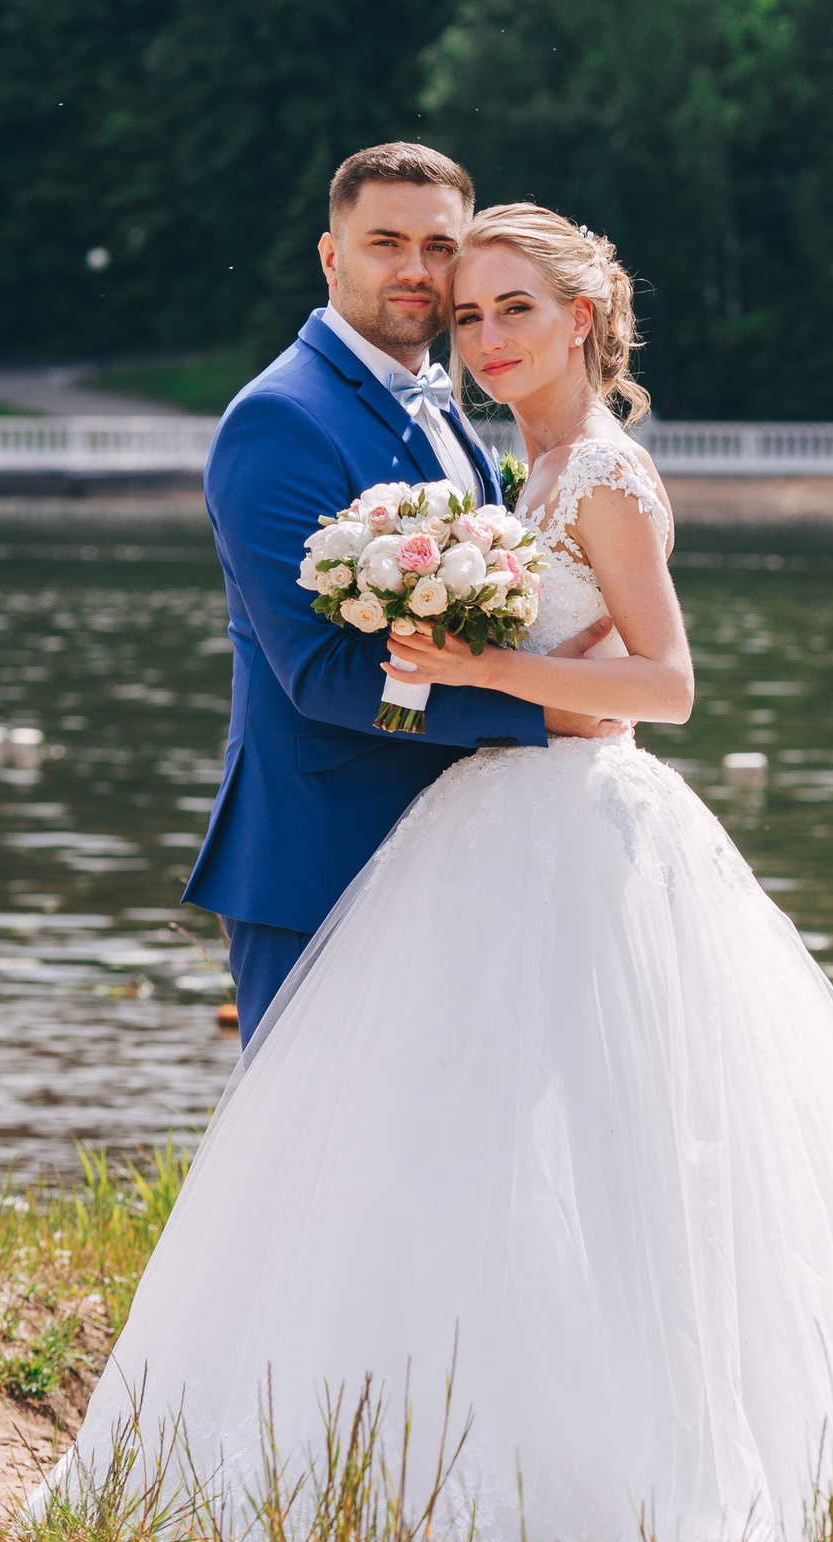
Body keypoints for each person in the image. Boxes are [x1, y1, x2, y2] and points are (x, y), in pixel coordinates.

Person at [46, 199, 833, 1542]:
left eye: (508, 307)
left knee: (619, 1160)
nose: (481, 331)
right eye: (470, 314)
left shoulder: (596, 472)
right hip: (476, 834)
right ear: (337, 256)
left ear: (582, 319)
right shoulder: (482, 454)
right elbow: (379, 670)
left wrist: (493, 672)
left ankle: (609, 1480)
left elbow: (666, 684)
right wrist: (491, 673)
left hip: (578, 836)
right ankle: (419, 1458)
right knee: (463, 1176)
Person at [180, 142, 625, 1041]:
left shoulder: (445, 401)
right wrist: (540, 713)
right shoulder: (283, 419)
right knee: (314, 1162)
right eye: (386, 242)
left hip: (450, 851)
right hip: (321, 855)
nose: (416, 271)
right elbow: (323, 676)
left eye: (437, 246)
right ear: (331, 254)